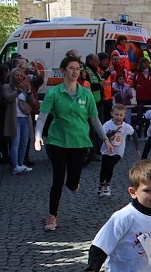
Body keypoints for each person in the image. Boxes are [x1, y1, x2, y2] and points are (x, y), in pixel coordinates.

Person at [34, 55, 113, 231]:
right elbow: (42, 117)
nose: (75, 71)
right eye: (71, 68)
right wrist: (38, 135)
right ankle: (52, 216)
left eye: (78, 68)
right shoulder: (53, 93)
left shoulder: (86, 93)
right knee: (58, 179)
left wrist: (105, 139)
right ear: (63, 70)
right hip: (57, 141)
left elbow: (94, 119)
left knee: (72, 182)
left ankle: (74, 183)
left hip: (79, 142)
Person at [2, 68, 37, 175]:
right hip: (14, 118)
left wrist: (29, 91)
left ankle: (21, 164)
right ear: (12, 76)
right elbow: (8, 98)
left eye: (20, 75)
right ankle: (15, 165)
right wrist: (18, 90)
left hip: (25, 118)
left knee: (24, 143)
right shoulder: (7, 87)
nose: (19, 77)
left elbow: (32, 102)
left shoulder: (25, 86)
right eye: (16, 75)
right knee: (15, 143)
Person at [98, 103, 137, 197]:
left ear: (124, 115)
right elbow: (103, 136)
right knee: (103, 168)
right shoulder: (107, 124)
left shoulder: (126, 126)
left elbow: (134, 134)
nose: (118, 117)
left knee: (110, 166)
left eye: (121, 115)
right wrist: (113, 132)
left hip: (118, 152)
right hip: (106, 150)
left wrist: (137, 148)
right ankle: (100, 184)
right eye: (116, 114)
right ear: (111, 113)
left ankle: (107, 186)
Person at [133, 58, 151, 136]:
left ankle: (147, 133)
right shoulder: (137, 74)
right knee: (139, 115)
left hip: (150, 98)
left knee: (149, 116)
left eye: (147, 63)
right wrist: (139, 89)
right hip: (140, 98)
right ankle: (138, 133)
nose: (146, 64)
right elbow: (134, 84)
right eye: (144, 63)